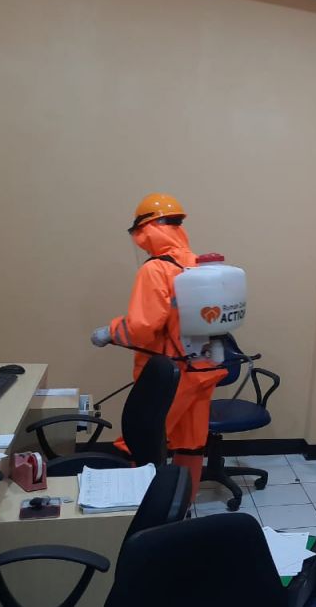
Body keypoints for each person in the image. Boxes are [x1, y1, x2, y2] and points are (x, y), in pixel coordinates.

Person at [91, 193, 225, 498]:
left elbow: (142, 328)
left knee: (138, 440)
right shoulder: (196, 263)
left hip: (170, 375)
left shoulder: (156, 269)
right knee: (190, 442)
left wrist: (109, 331)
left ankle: (138, 507)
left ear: (145, 229)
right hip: (203, 370)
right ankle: (180, 506)